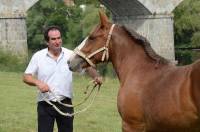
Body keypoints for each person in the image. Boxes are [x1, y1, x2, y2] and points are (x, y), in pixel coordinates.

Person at [23, 25, 102, 132]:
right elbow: (26, 77)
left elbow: (87, 68)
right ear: (47, 42)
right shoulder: (38, 56)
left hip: (66, 104)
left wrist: (96, 76)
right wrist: (38, 83)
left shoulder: (71, 55)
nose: (57, 41)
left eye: (59, 38)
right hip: (45, 104)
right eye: (53, 39)